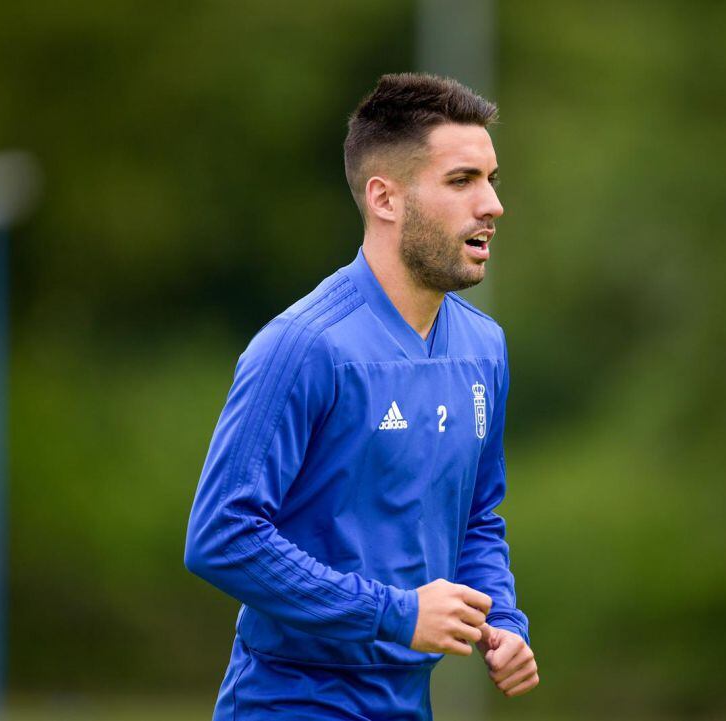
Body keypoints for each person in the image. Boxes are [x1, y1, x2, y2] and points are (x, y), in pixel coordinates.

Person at [184, 72, 538, 720]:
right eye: (462, 181)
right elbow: (221, 534)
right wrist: (394, 613)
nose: (492, 204)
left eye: (491, 178)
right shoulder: (303, 346)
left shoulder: (484, 348)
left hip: (406, 703)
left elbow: (478, 517)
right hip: (292, 700)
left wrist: (502, 616)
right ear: (385, 198)